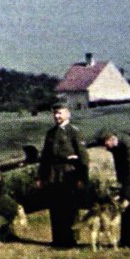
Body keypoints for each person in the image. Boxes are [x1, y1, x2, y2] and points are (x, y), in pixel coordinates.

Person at [37, 104, 88, 248]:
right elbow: (45, 157)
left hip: (69, 173)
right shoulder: (51, 133)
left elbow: (83, 157)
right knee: (55, 207)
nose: (56, 116)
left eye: (59, 113)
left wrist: (82, 178)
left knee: (70, 207)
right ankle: (58, 239)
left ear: (67, 114)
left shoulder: (74, 132)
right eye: (54, 113)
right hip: (54, 174)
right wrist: (41, 177)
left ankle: (70, 240)